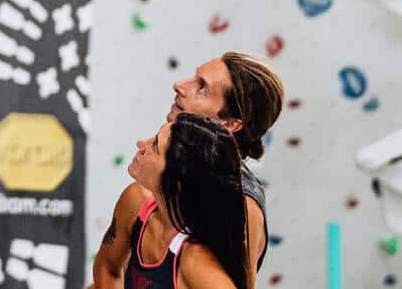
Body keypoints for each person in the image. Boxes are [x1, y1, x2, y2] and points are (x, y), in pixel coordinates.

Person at [90, 53, 285, 287]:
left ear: (230, 123)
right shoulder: (148, 188)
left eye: (202, 88)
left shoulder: (242, 207)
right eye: (195, 78)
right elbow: (112, 269)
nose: (179, 85)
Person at [102, 115, 256, 289]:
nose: (141, 144)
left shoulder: (197, 263)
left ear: (177, 181)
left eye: (154, 146)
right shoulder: (135, 201)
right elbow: (108, 269)